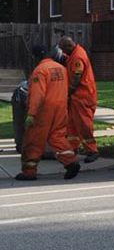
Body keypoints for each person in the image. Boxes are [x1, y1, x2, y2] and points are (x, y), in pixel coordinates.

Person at [16, 45, 80, 181]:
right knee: (58, 136)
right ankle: (71, 162)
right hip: (61, 107)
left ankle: (29, 171)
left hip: (44, 111)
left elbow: (37, 95)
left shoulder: (40, 71)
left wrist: (31, 114)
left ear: (35, 56)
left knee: (33, 139)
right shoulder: (61, 69)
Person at [58, 36, 99, 163]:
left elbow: (77, 77)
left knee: (84, 124)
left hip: (83, 96)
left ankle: (92, 150)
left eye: (64, 49)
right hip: (77, 97)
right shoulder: (75, 54)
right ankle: (72, 148)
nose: (63, 52)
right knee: (72, 125)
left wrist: (68, 92)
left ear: (69, 46)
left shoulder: (77, 57)